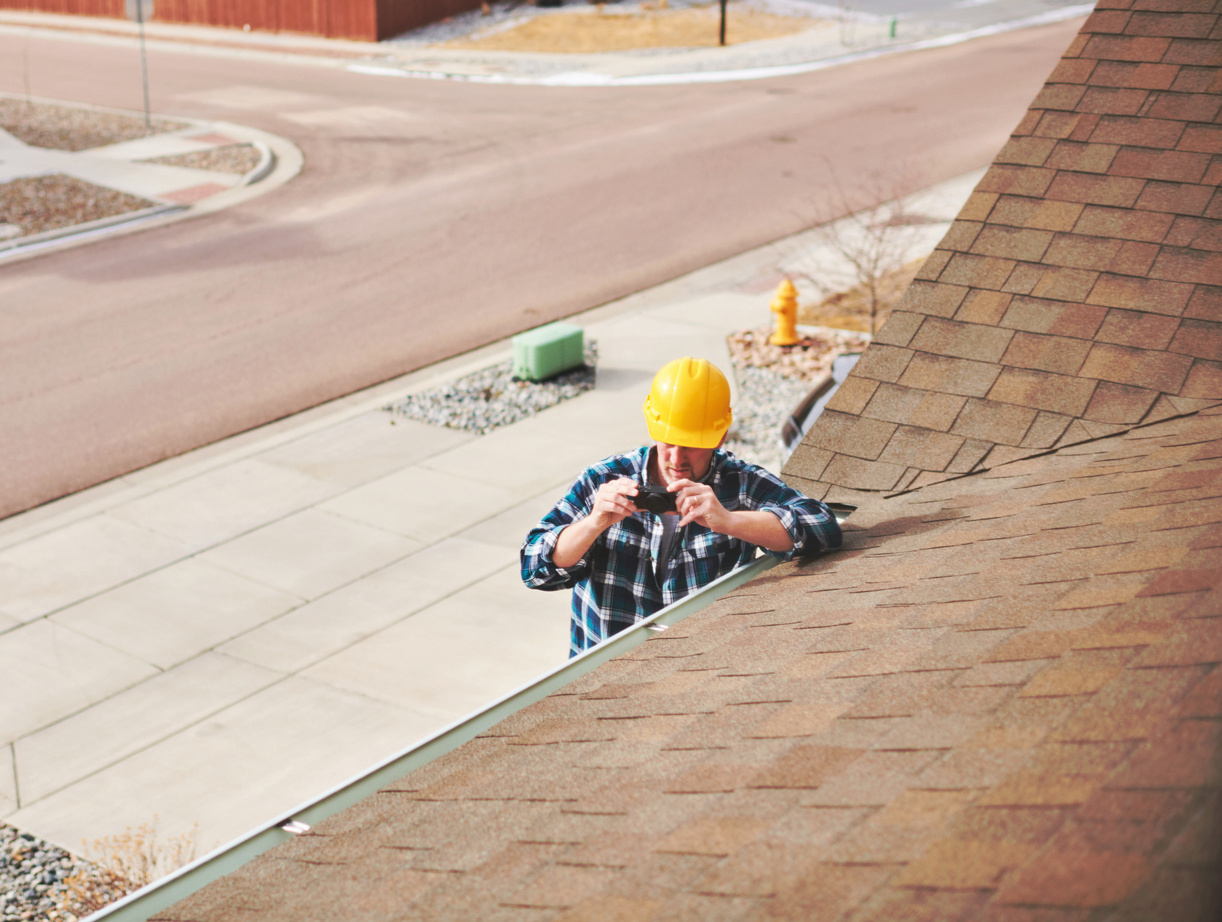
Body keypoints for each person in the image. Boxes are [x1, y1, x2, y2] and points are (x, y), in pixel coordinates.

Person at [521, 356, 842, 657]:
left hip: (697, 672)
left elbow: (823, 526)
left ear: (720, 436)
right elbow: (534, 569)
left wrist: (728, 520)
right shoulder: (604, 479)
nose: (677, 458)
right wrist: (594, 523)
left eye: (691, 445)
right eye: (668, 441)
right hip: (604, 676)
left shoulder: (739, 484)